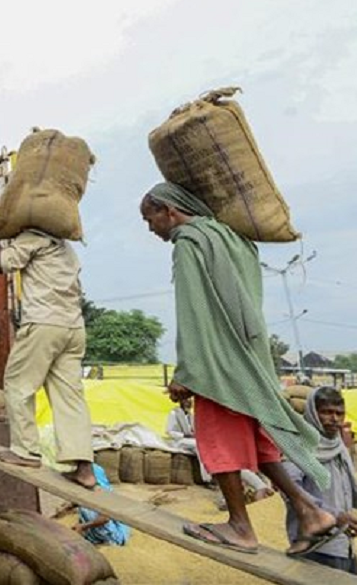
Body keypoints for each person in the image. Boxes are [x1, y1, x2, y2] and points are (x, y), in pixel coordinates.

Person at [139, 181, 338, 555]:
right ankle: (310, 511)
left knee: (219, 443)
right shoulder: (230, 238)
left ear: (169, 211)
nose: (150, 229)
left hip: (218, 363)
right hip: (251, 358)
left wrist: (187, 371)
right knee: (261, 444)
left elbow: (193, 311)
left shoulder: (189, 242)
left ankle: (241, 527)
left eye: (149, 219)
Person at [0, 226, 96, 490]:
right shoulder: (66, 248)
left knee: (18, 384)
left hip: (44, 322)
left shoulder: (32, 238)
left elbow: (1, 264)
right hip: (74, 327)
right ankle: (84, 467)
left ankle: (24, 451)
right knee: (70, 397)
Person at [282, 386, 357, 574]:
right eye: (326, 412)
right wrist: (333, 516)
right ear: (312, 413)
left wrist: (345, 519)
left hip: (343, 544)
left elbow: (350, 491)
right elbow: (288, 489)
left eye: (339, 414)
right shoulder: (300, 447)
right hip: (318, 548)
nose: (334, 419)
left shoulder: (337, 446)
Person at [167, 398, 275, 504]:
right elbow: (170, 432)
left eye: (190, 401)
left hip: (215, 445)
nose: (189, 402)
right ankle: (208, 478)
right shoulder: (174, 413)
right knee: (203, 448)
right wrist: (186, 435)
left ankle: (259, 487)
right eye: (187, 401)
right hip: (181, 441)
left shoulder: (193, 415)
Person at [75, 464, 131, 546]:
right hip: (97, 528)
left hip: (113, 536)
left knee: (87, 510)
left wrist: (82, 527)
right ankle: (91, 536)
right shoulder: (89, 491)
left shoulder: (104, 493)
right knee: (82, 506)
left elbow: (104, 519)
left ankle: (102, 541)